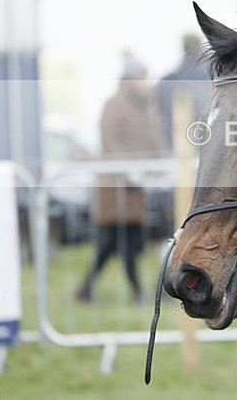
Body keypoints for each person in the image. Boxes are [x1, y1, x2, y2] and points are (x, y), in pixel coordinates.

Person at [76, 52, 164, 303]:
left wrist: (163, 161)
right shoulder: (113, 104)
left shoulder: (147, 105)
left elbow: (154, 139)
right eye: (141, 77)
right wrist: (129, 169)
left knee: (118, 242)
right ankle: (136, 291)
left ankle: (87, 288)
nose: (145, 82)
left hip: (135, 187)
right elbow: (110, 140)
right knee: (119, 241)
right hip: (114, 186)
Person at [156, 32, 212, 149]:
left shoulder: (167, 81)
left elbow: (163, 116)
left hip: (176, 143)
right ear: (200, 48)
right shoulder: (212, 75)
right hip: (207, 142)